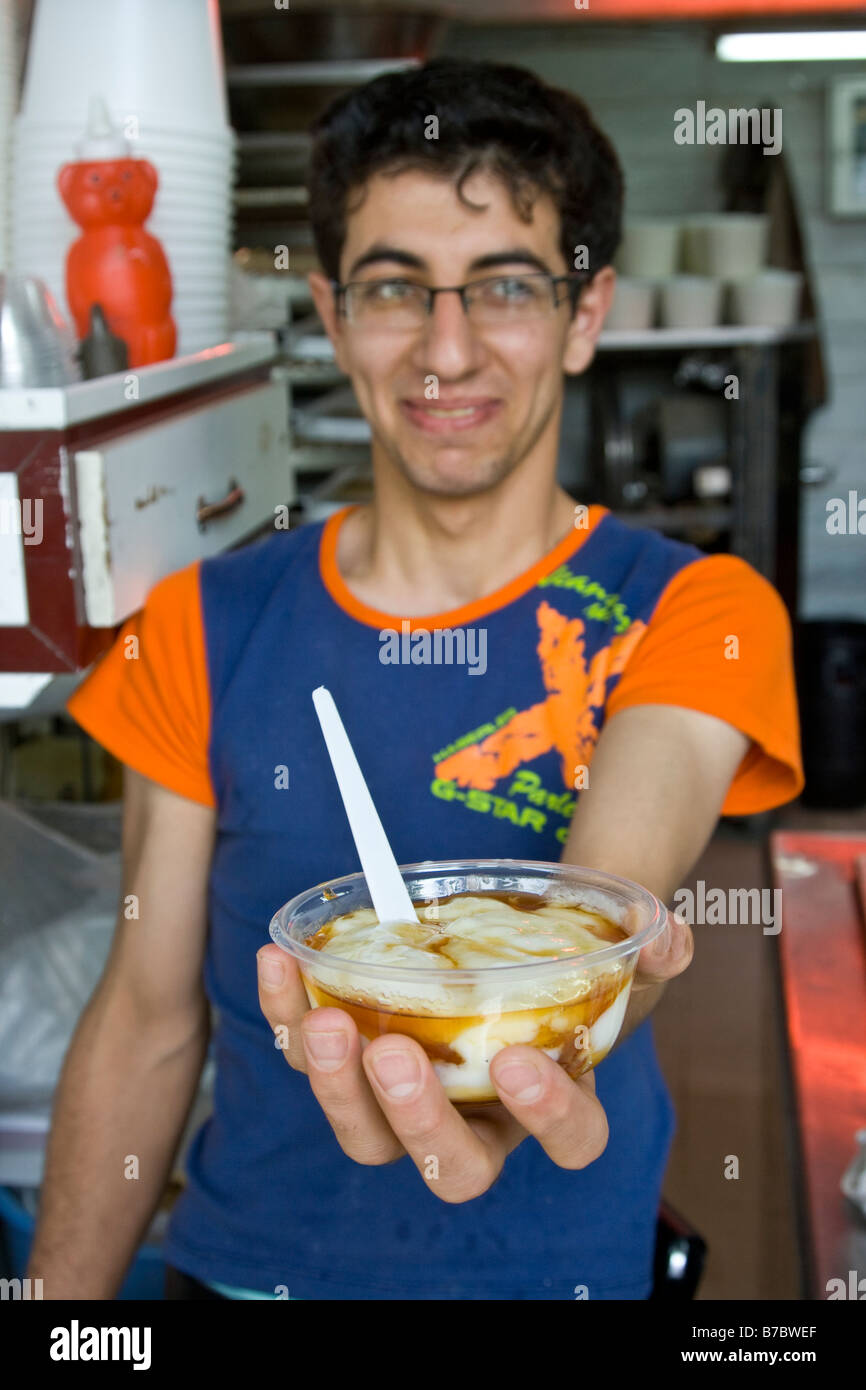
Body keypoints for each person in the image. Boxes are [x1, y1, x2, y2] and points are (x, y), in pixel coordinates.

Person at [28, 58, 803, 1301]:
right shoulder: (204, 622)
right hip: (244, 1280)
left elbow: (606, 916)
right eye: (395, 288)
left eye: (503, 285)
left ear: (583, 312)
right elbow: (147, 1013)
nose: (446, 349)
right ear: (333, 317)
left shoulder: (695, 610)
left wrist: (511, 1064)